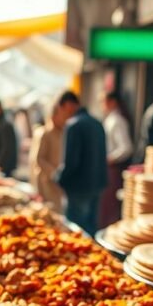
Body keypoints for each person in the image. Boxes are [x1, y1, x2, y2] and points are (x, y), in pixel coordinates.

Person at [54, 91, 107, 235]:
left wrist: (59, 178)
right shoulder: (97, 123)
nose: (62, 114)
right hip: (96, 185)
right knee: (91, 227)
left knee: (76, 232)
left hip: (78, 187)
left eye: (62, 109)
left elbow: (71, 162)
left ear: (68, 105)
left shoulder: (74, 125)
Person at [100, 92, 133, 227]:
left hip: (113, 169)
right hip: (109, 168)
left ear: (112, 102)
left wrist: (110, 159)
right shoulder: (112, 119)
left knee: (110, 206)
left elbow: (126, 147)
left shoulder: (118, 121)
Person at [29, 101, 65, 211]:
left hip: (56, 182)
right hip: (45, 182)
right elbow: (38, 159)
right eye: (62, 115)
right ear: (53, 115)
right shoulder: (43, 133)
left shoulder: (61, 133)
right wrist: (53, 173)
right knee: (47, 211)